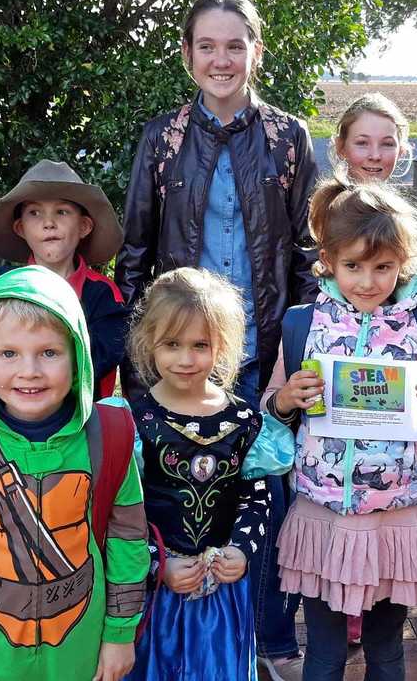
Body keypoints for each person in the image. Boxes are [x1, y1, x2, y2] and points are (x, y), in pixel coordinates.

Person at [116, 0, 318, 680]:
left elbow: (308, 255)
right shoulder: (163, 138)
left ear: (256, 52)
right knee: (174, 497)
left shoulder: (289, 138)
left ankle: (257, 639)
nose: (222, 58)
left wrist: (294, 349)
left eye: (235, 45)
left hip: (262, 355)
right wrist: (141, 359)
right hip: (180, 356)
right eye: (208, 45)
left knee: (261, 491)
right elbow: (136, 252)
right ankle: (170, 646)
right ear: (187, 53)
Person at [263, 177, 417, 681]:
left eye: (383, 267)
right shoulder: (303, 324)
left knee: (386, 653)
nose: (368, 281)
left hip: (394, 518)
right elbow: (271, 404)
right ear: (328, 261)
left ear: (403, 263)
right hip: (321, 513)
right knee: (325, 655)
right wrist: (287, 399)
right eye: (353, 266)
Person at [0, 266, 150, 681]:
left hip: (80, 644)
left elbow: (128, 542)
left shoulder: (109, 437)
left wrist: (120, 633)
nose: (29, 371)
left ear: (78, 356)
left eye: (49, 352)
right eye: (9, 354)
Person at [124, 268, 293, 680]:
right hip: (158, 593)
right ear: (149, 343)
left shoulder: (244, 420)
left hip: (222, 592)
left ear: (222, 346)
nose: (186, 359)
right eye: (172, 344)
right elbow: (123, 513)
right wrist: (156, 564)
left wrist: (241, 550)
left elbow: (257, 498)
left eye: (200, 345)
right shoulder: (134, 422)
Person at [326, 91, 414, 647]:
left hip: (390, 441)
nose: (375, 153)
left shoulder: (403, 229)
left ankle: (367, 612)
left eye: (387, 143)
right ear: (341, 148)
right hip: (334, 444)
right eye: (363, 141)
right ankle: (342, 614)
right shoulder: (326, 218)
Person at [0, 159, 128, 398]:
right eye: (35, 213)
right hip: (9, 419)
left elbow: (100, 359)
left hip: (85, 424)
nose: (48, 223)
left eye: (62, 212)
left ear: (84, 226)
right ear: (20, 228)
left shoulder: (104, 294)